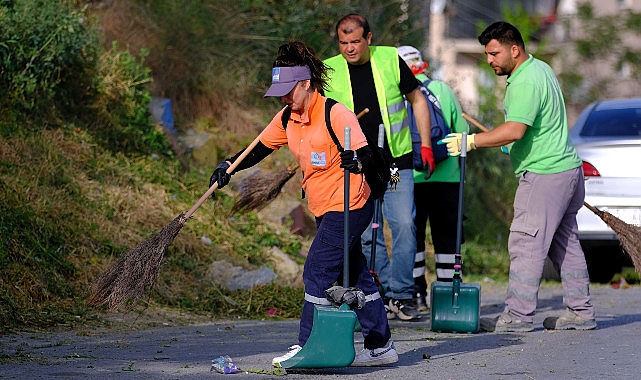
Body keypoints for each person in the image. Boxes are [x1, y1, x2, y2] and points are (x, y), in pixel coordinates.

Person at [209, 41, 398, 366]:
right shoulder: (287, 118)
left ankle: (309, 346)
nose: (283, 98)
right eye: (279, 91)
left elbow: (367, 154)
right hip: (324, 208)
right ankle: (381, 346)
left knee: (317, 271)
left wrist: (356, 161)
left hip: (351, 204)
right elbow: (258, 148)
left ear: (307, 83)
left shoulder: (335, 113)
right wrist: (230, 165)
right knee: (354, 273)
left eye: (288, 90)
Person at [441, 21, 596, 332]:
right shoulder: (542, 69)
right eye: (486, 54)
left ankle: (517, 317)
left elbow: (515, 129)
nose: (490, 60)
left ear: (514, 49)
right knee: (566, 243)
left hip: (545, 174)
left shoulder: (525, 82)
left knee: (525, 243)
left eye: (494, 53)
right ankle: (581, 312)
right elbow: (531, 130)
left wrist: (470, 141)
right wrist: (513, 146)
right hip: (567, 170)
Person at [323, 13, 435, 321]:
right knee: (368, 233)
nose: (349, 48)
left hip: (396, 165)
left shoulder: (390, 59)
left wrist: (425, 144)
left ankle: (402, 294)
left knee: (402, 224)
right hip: (359, 167)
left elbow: (418, 100)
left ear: (369, 39)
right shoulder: (330, 69)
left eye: (355, 41)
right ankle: (381, 290)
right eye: (344, 42)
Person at [397, 45, 470, 311]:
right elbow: (462, 131)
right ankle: (448, 296)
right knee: (447, 237)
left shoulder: (396, 94)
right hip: (447, 175)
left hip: (410, 176)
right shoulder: (442, 90)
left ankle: (417, 294)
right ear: (422, 65)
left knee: (412, 236)